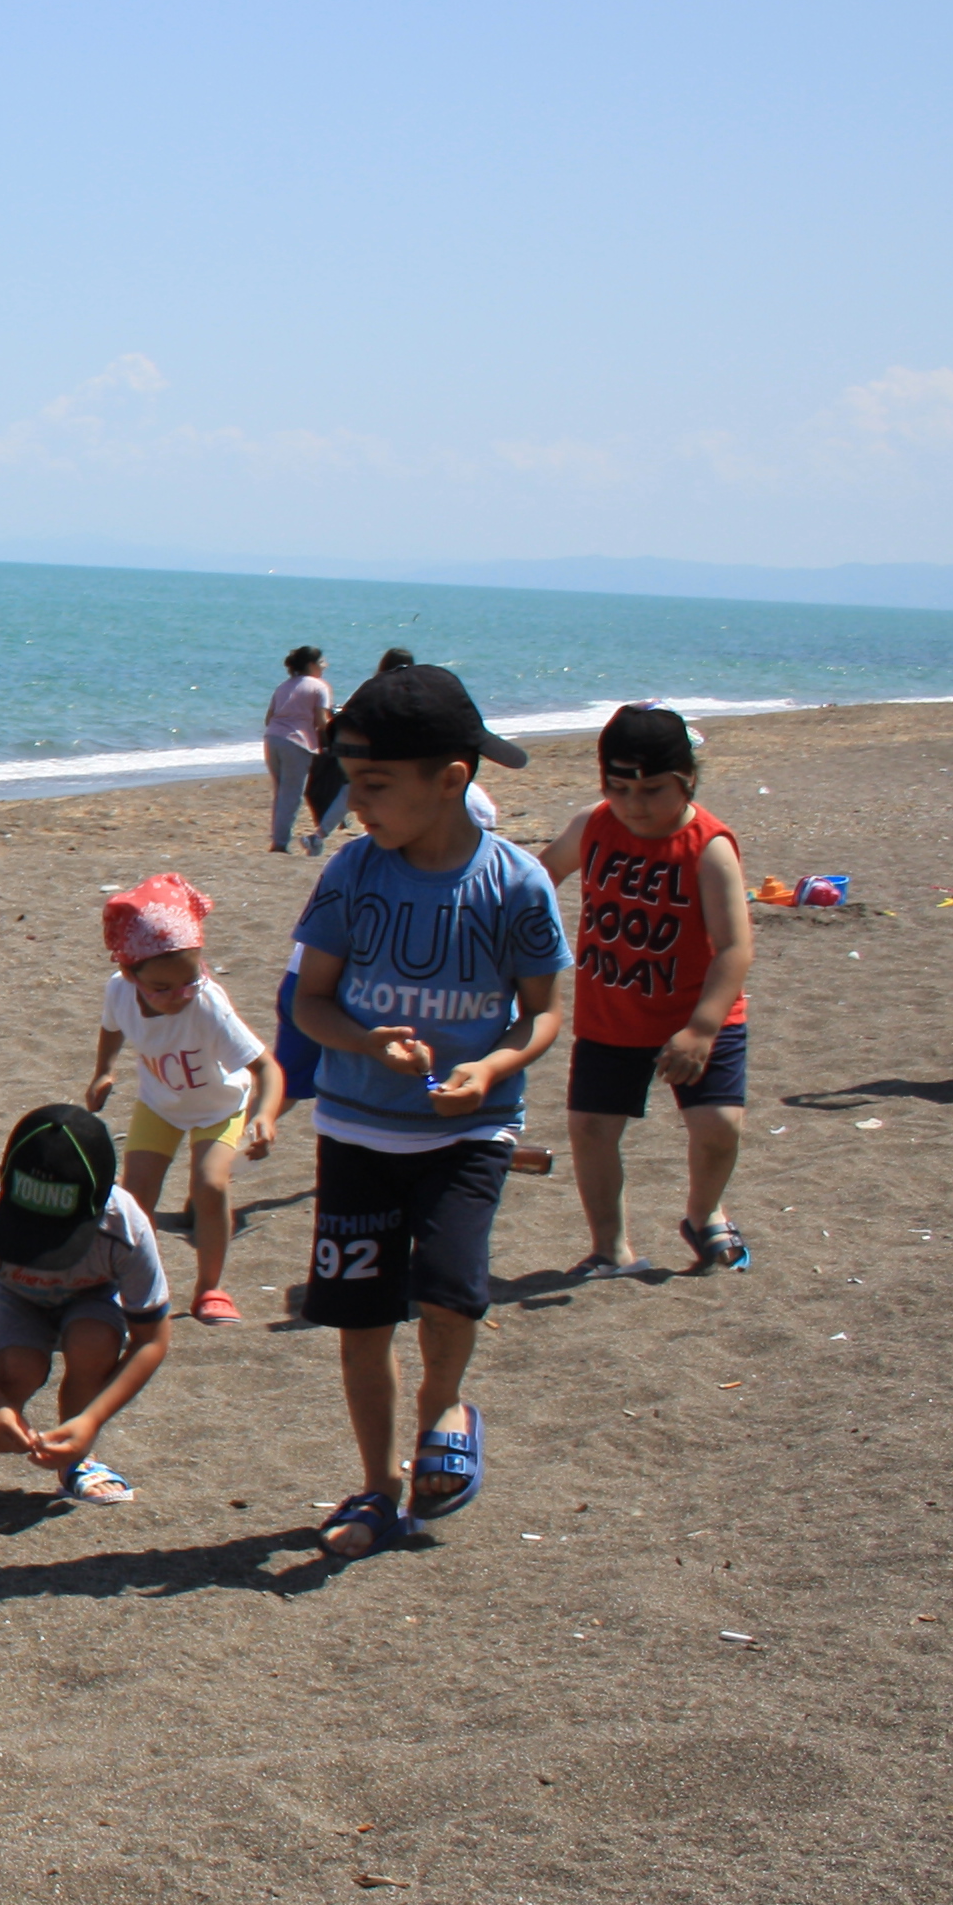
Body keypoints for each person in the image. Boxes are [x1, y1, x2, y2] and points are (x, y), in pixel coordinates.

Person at [289, 663, 569, 1561]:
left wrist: (492, 1066)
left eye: (375, 787)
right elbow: (310, 1004)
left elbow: (545, 1011)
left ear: (452, 777)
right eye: (351, 787)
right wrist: (368, 1044)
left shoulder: (518, 884)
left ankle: (445, 1403)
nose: (356, 807)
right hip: (357, 1127)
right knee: (361, 1321)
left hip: (468, 1130)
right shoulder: (350, 876)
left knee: (451, 1292)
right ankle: (377, 1487)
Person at [540, 704, 753, 1275]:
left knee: (718, 1128)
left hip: (698, 1014)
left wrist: (703, 1028)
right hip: (613, 1015)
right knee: (590, 1130)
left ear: (688, 780)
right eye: (618, 788)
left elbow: (735, 947)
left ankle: (704, 1215)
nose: (634, 804)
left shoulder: (710, 847)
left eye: (653, 790)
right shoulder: (594, 824)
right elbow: (541, 876)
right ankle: (610, 1246)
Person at [0, 1103, 172, 1519]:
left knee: (93, 1342)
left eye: (61, 1236)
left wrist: (93, 1420)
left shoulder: (125, 1226)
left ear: (103, 1198)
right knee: (17, 1367)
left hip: (92, 1298)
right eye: (29, 1231)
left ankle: (75, 1459)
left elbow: (152, 1339)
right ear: (1, 1182)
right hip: (16, 1298)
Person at [81, 874, 283, 1324]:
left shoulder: (207, 1004)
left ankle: (210, 1287)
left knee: (210, 1186)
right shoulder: (119, 990)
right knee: (135, 1197)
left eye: (189, 982)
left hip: (219, 1107)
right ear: (131, 974)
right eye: (163, 988)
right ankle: (135, 1283)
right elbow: (112, 1027)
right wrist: (104, 1071)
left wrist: (266, 1116)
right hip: (160, 1104)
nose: (179, 997)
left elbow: (266, 1068)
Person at [305, 646, 415, 852]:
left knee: (354, 792)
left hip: (366, 748)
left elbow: (353, 713)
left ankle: (319, 836)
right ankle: (321, 836)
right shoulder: (409, 688)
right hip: (392, 750)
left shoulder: (373, 686)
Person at [265, 648, 332, 854]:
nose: (325, 665)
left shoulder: (283, 687)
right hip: (296, 742)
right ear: (311, 665)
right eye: (322, 661)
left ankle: (278, 837)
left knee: (281, 791)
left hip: (273, 738)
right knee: (291, 794)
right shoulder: (319, 686)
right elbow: (322, 722)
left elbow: (269, 718)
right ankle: (280, 843)